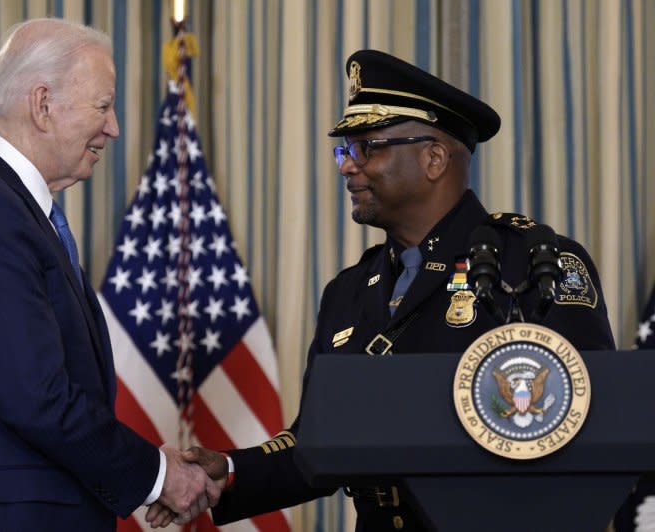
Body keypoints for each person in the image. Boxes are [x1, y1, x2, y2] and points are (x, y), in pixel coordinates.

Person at [146, 50, 615, 530]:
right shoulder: (348, 292)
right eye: (344, 151)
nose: (347, 167)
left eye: (367, 147)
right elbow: (319, 440)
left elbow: (595, 418)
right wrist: (228, 470)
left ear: (433, 158)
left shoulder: (531, 262)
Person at [0, 18, 218, 532]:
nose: (113, 128)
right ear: (42, 105)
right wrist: (158, 476)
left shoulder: (7, 209)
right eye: (103, 107)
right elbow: (37, 396)